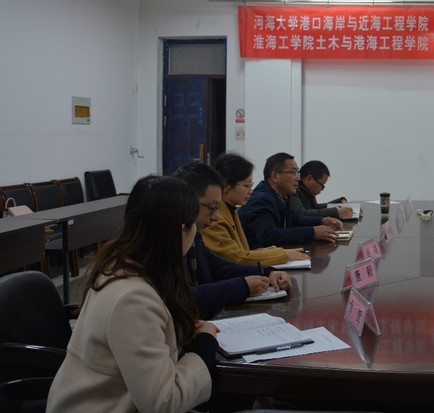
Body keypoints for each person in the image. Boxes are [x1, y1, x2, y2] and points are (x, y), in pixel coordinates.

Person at [47, 176, 217, 412]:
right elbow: (163, 403)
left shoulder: (126, 264)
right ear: (181, 231)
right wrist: (205, 343)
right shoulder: (132, 298)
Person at [174, 160, 294, 319]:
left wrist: (267, 272)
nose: (216, 217)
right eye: (212, 208)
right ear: (188, 202)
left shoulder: (194, 234)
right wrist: (242, 287)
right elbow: (181, 299)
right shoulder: (166, 240)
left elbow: (217, 266)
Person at [239, 152, 342, 247]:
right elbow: (269, 236)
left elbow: (295, 219)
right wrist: (312, 232)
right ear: (275, 176)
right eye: (293, 173)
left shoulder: (282, 196)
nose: (298, 178)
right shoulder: (261, 200)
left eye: (297, 173)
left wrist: (322, 220)